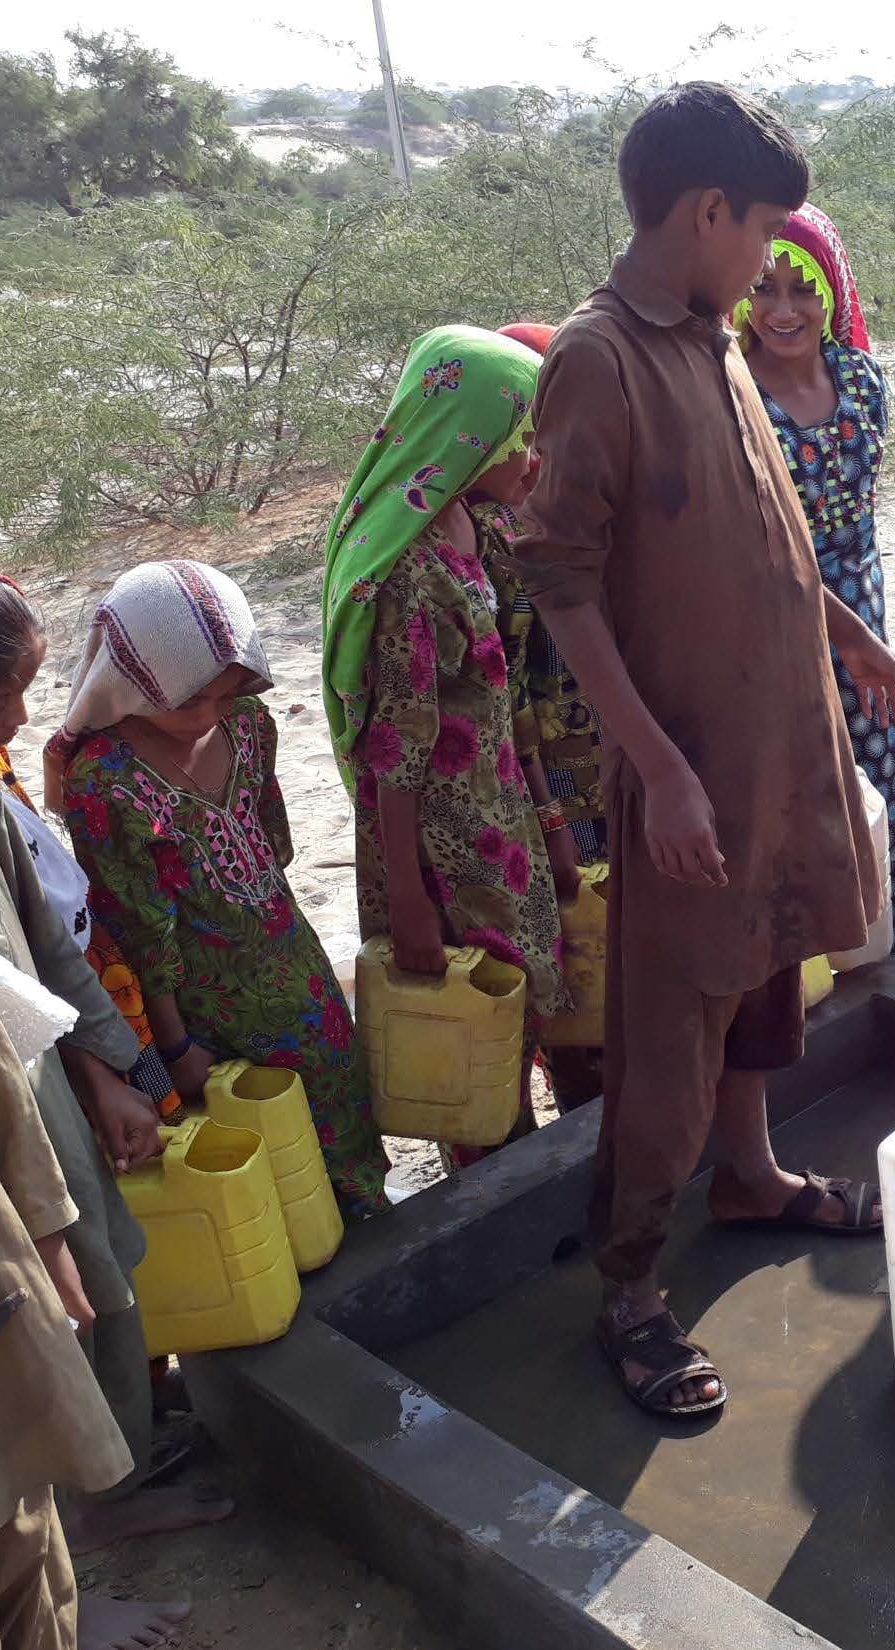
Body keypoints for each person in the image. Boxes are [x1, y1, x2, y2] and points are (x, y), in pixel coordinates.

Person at [513, 82, 895, 1417]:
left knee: (767, 979)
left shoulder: (715, 338)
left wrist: (848, 629)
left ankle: (748, 1177)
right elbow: (559, 581)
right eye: (761, 234)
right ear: (706, 212)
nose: (769, 266)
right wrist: (663, 766)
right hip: (692, 769)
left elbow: (767, 530)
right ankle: (630, 1287)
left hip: (782, 745)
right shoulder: (601, 358)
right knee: (672, 1026)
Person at [0, 555, 232, 1566]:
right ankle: (61, 1538)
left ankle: (112, 1486)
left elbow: (51, 962)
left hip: (38, 1093)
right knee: (2, 1328)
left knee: (98, 1284)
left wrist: (109, 1071)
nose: (18, 719)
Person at [50, 561, 389, 1219]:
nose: (208, 715)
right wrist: (177, 1048)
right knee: (268, 1176)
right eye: (187, 701)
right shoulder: (104, 784)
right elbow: (141, 938)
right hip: (207, 1016)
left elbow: (271, 847)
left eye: (226, 693)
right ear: (128, 684)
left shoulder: (249, 725)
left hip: (299, 972)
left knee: (347, 1130)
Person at [321, 324, 569, 1157]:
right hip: (439, 850)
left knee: (514, 1008)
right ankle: (492, 1185)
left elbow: (505, 690)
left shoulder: (472, 524)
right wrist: (411, 905)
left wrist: (546, 815)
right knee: (468, 1024)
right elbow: (394, 760)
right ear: (467, 441)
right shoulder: (412, 576)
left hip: (497, 819)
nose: (532, 459)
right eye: (520, 439)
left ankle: (521, 1163)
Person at [0, 554, 184, 1124]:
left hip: (93, 983)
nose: (21, 718)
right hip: (58, 1034)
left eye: (23, 692)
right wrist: (95, 1069)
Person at [737, 204, 895, 963]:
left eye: (802, 289)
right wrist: (849, 634)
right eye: (764, 289)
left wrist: (863, 635)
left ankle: (889, 964)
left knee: (883, 790)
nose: (784, 310)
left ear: (834, 295)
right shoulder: (729, 394)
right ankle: (806, 988)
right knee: (793, 802)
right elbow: (754, 551)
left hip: (865, 627)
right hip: (773, 625)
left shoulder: (861, 380)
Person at [480, 319, 604, 1113]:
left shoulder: (585, 501)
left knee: (601, 942)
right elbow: (511, 696)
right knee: (573, 950)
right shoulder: (497, 536)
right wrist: (552, 817)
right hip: (552, 781)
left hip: (602, 762)